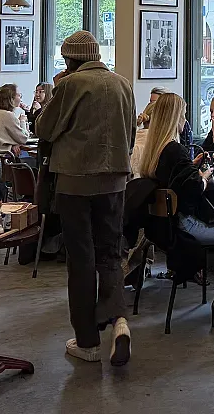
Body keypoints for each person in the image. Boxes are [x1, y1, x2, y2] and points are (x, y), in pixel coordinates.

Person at [33, 30, 136, 366]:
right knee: (110, 253)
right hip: (116, 180)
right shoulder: (122, 84)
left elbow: (44, 129)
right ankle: (119, 319)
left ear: (69, 59)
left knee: (81, 260)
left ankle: (88, 341)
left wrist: (56, 92)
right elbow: (131, 134)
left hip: (75, 182)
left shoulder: (70, 85)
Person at [134, 93, 214, 325]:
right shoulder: (175, 151)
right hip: (186, 224)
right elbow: (193, 189)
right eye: (184, 114)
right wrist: (204, 177)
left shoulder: (155, 150)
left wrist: (193, 168)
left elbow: (178, 180)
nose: (186, 119)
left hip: (163, 226)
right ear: (176, 117)